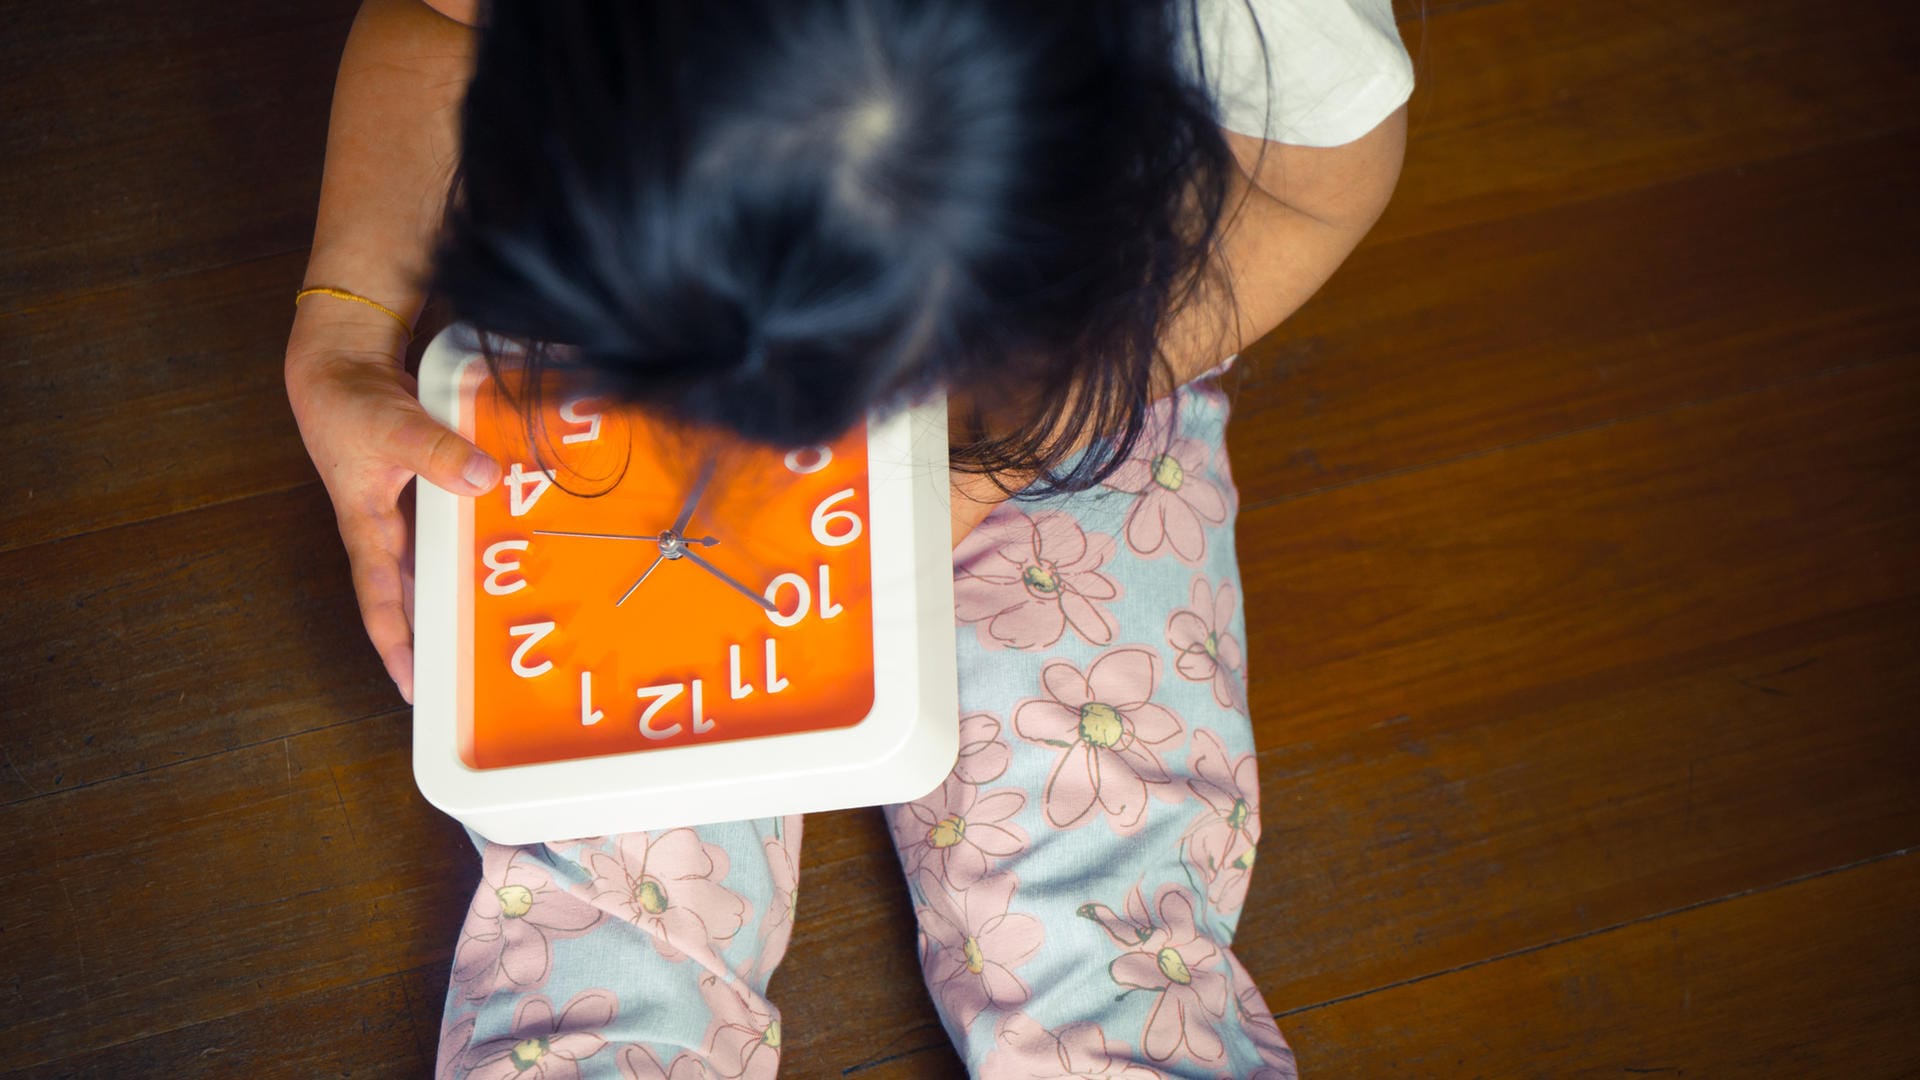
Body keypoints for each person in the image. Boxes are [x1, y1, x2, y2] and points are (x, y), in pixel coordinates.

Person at [284, 0, 1412, 1075]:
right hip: (627, 330)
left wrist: (1019, 437)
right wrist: (343, 323)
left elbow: (1320, 181)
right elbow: (430, 21)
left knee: (1102, 926)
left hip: (1067, 354)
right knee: (610, 917)